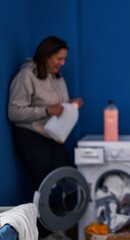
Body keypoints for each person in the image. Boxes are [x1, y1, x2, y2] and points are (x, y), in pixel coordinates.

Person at [7, 36, 83, 238]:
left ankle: (57, 227)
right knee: (43, 186)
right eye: (59, 58)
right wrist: (46, 110)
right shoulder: (27, 76)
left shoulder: (58, 77)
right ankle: (40, 232)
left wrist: (71, 105)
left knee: (66, 179)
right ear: (46, 56)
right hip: (31, 136)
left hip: (53, 137)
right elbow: (14, 112)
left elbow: (61, 106)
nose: (63, 63)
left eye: (64, 59)